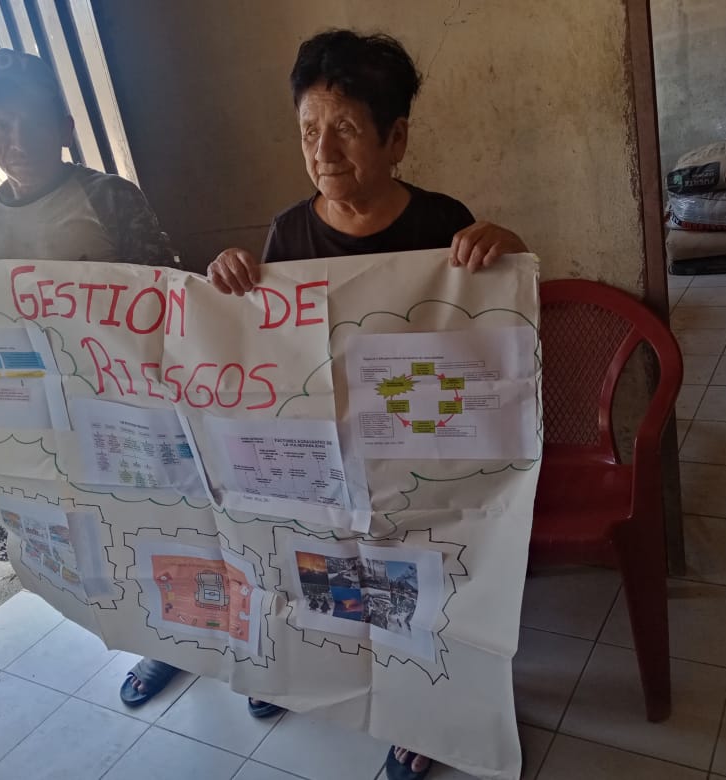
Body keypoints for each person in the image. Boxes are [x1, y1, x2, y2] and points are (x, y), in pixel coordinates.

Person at [208, 30, 528, 780]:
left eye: (346, 129)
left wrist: (506, 247)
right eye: (308, 131)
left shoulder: (441, 222)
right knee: (328, 570)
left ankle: (429, 716)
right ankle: (313, 673)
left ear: (396, 139)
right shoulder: (288, 234)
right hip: (331, 453)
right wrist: (231, 279)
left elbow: (497, 325)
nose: (323, 150)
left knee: (423, 578)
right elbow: (266, 349)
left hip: (424, 452)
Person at [0, 48, 184, 710]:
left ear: (65, 127)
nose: (17, 141)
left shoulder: (108, 198)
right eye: (1, 125)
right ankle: (164, 641)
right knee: (114, 536)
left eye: (34, 122)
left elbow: (170, 294)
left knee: (176, 523)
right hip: (55, 421)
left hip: (134, 407)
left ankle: (234, 645)